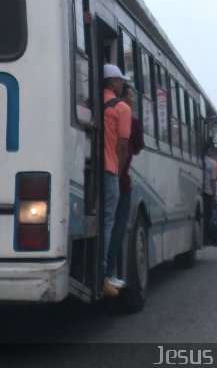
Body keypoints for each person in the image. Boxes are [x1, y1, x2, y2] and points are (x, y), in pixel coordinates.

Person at [106, 84, 144, 290]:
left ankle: (106, 271)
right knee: (116, 228)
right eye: (130, 95)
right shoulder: (129, 118)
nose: (132, 100)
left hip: (104, 175)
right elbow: (133, 147)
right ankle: (108, 272)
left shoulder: (98, 109)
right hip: (118, 178)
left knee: (107, 226)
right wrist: (119, 171)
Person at [101, 63, 132, 297]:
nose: (122, 84)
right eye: (120, 80)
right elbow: (123, 145)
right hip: (110, 170)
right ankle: (104, 274)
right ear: (112, 82)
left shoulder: (90, 102)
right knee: (108, 223)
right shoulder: (122, 108)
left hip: (88, 173)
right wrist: (120, 171)